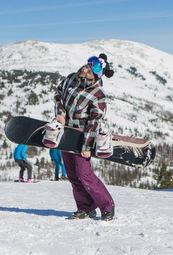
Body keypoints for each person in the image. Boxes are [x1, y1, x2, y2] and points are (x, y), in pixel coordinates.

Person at [49, 53, 115, 221]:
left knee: (84, 174)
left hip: (83, 136)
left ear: (95, 76)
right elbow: (58, 94)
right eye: (86, 66)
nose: (84, 70)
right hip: (65, 134)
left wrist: (86, 147)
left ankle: (107, 206)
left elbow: (94, 122)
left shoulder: (97, 94)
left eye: (89, 70)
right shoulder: (71, 78)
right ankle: (85, 208)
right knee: (71, 174)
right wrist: (60, 113)